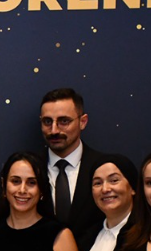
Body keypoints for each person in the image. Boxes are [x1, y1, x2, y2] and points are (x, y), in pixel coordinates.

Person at [39, 88, 104, 242]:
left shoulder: (104, 167)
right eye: (47, 122)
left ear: (83, 122)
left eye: (64, 121)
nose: (54, 130)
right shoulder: (29, 170)